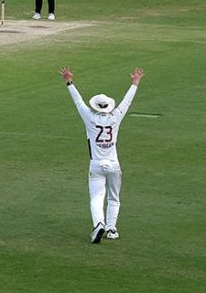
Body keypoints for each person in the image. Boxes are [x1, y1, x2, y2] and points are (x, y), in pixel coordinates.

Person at [60, 66, 144, 243]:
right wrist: (135, 83)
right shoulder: (115, 117)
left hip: (96, 165)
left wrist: (69, 82)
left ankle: (99, 224)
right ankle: (112, 229)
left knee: (96, 198)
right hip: (114, 164)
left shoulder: (90, 117)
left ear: (96, 106)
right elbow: (126, 103)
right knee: (114, 198)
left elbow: (78, 101)